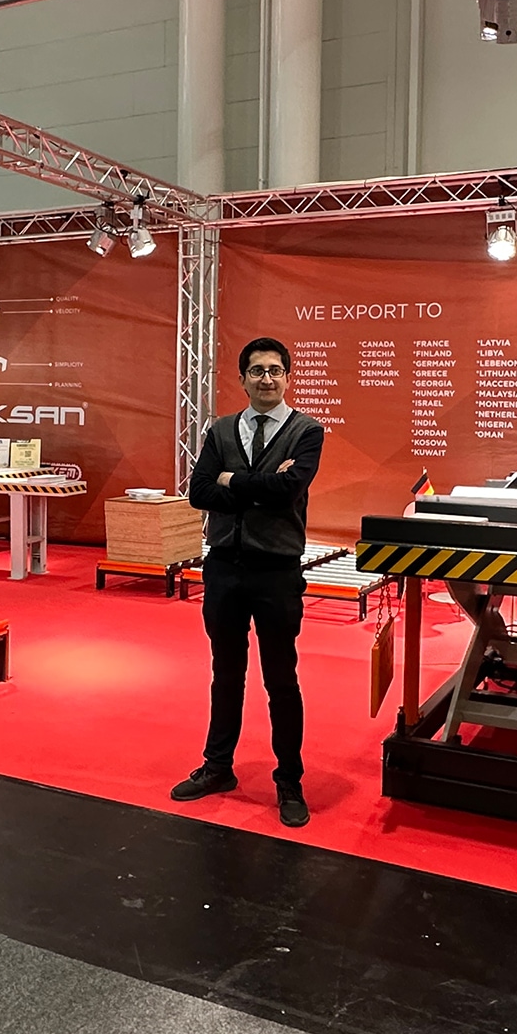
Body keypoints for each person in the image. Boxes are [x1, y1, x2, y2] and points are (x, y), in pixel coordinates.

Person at [173, 335, 325, 828]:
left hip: (277, 572)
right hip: (224, 568)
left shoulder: (307, 431)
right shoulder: (220, 430)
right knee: (226, 673)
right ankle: (218, 767)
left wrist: (231, 481)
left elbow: (287, 491)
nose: (266, 378)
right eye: (257, 370)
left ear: (287, 377)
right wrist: (256, 486)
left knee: (281, 679)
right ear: (241, 379)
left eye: (275, 370)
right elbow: (199, 493)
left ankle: (290, 781)